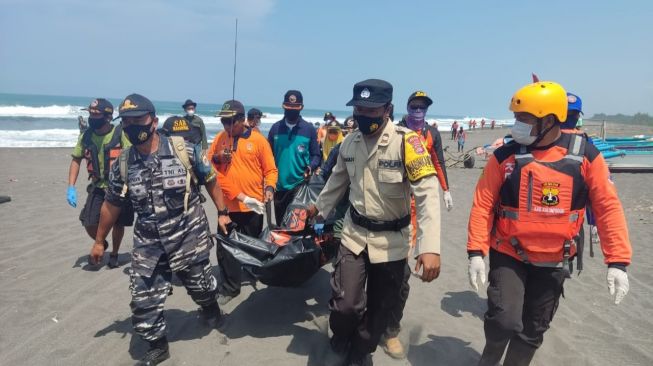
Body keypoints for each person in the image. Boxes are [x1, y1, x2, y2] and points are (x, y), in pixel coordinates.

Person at [467, 81, 632, 366]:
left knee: (533, 329)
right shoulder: (504, 157)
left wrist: (617, 261)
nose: (517, 125)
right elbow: (482, 203)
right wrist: (475, 252)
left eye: (525, 119)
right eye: (516, 118)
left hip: (555, 259)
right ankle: (489, 359)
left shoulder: (586, 157)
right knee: (504, 321)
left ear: (550, 120)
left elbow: (607, 207)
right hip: (509, 253)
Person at [88, 93, 232, 366]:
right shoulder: (123, 162)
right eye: (126, 122)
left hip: (188, 234)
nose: (131, 126)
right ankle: (157, 343)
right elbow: (112, 203)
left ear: (153, 121)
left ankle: (210, 307)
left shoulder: (183, 150)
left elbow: (210, 180)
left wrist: (222, 213)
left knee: (201, 286)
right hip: (149, 242)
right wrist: (99, 241)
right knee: (142, 298)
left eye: (137, 120)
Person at [308, 79, 442, 366]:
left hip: (392, 243)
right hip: (354, 235)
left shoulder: (408, 143)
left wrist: (429, 246)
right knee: (345, 306)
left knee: (380, 311)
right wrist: (317, 210)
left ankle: (361, 349)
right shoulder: (350, 142)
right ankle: (342, 334)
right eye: (359, 108)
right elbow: (337, 181)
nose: (363, 115)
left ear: (388, 109)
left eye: (371, 110)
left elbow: (428, 193)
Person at [383, 90, 453, 358]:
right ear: (407, 107)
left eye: (423, 107)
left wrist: (445, 190)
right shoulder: (397, 131)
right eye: (414, 106)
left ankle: (390, 329)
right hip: (396, 202)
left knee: (401, 275)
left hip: (419, 206)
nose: (418, 110)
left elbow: (439, 162)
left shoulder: (432, 134)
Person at [208, 100, 278, 304]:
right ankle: (230, 287)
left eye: (230, 122)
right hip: (227, 207)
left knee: (251, 245)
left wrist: (269, 188)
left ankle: (250, 271)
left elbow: (270, 170)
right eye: (223, 122)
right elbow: (210, 168)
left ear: (241, 120)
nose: (226, 127)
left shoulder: (258, 141)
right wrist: (218, 158)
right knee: (225, 248)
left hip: (253, 205)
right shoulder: (220, 138)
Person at [67, 98, 134, 268]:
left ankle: (114, 254)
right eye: (90, 113)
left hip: (119, 186)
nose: (92, 117)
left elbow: (131, 155)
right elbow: (76, 160)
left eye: (96, 114)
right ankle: (101, 243)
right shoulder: (86, 135)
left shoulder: (120, 134)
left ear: (107, 117)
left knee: (118, 223)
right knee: (89, 222)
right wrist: (71, 187)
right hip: (97, 186)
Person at [267, 90, 321, 224]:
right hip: (279, 186)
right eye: (288, 108)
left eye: (295, 108)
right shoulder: (275, 129)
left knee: (297, 226)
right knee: (281, 226)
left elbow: (316, 155)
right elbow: (267, 157)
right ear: (283, 107)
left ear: (301, 107)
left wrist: (311, 166)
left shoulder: (308, 129)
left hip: (300, 186)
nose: (291, 110)